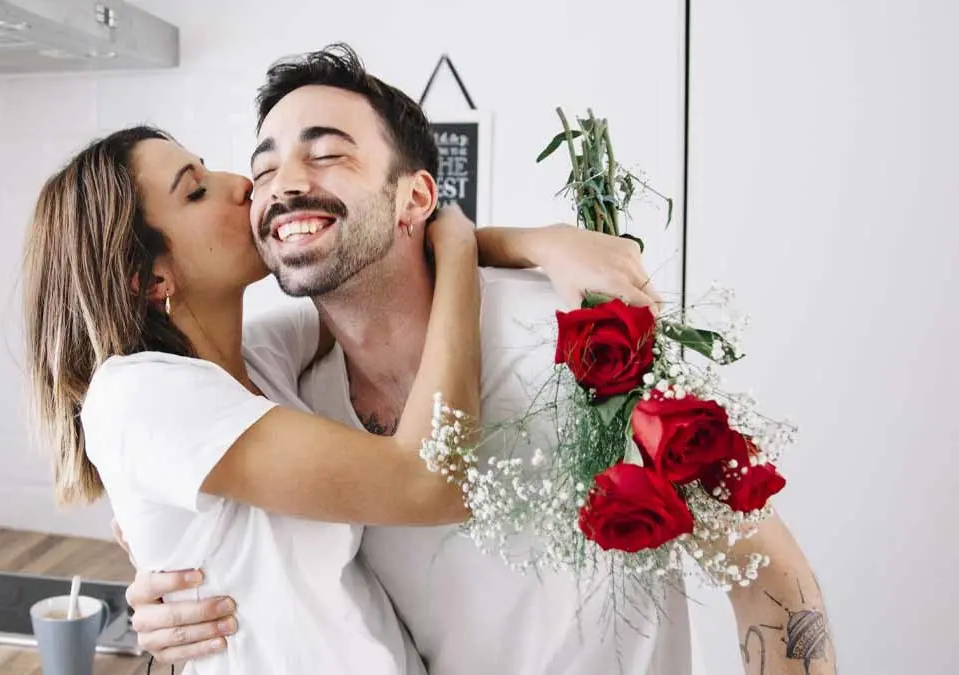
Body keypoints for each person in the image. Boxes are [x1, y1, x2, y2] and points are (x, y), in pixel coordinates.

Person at [126, 45, 836, 675]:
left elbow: (771, 573)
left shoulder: (580, 339)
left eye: (327, 152)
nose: (282, 184)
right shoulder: (283, 387)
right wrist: (153, 587)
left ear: (416, 197)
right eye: (266, 165)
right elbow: (165, 454)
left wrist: (527, 244)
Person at [22, 125, 651, 673]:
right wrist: (457, 248)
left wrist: (543, 242)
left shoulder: (258, 359)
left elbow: (379, 260)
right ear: (150, 276)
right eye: (196, 189)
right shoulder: (139, 393)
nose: (242, 183)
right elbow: (432, 483)